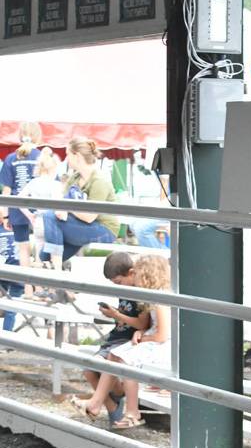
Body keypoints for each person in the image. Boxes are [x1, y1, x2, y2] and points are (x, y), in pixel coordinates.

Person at [70, 254, 170, 429]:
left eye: (137, 275)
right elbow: (152, 327)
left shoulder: (160, 300)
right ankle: (96, 404)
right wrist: (141, 332)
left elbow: (162, 335)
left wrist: (142, 336)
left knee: (124, 359)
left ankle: (133, 412)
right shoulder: (153, 297)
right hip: (152, 340)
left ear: (146, 275)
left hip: (162, 345)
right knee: (113, 355)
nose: (135, 279)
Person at [39, 137, 119, 271]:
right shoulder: (75, 177)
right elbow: (62, 200)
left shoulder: (99, 180)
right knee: (44, 255)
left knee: (49, 217)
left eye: (67, 154)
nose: (66, 158)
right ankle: (63, 287)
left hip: (104, 229)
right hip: (83, 225)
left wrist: (67, 209)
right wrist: (62, 209)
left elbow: (89, 217)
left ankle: (56, 271)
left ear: (77, 156)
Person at [0, 123, 43, 296]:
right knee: (39, 247)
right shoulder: (41, 156)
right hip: (38, 208)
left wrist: (5, 215)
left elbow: (7, 191)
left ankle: (27, 289)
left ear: (20, 136)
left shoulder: (11, 158)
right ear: (38, 136)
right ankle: (40, 287)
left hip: (17, 209)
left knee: (23, 250)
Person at [19, 147, 64, 266]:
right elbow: (58, 206)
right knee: (55, 258)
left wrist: (29, 215)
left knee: (39, 257)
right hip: (52, 223)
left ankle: (38, 283)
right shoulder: (56, 185)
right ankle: (54, 283)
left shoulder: (33, 183)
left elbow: (18, 200)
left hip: (38, 221)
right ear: (53, 168)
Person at [0, 214, 23, 332]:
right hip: (19, 273)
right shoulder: (17, 232)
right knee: (11, 308)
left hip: (3, 272)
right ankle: (6, 337)